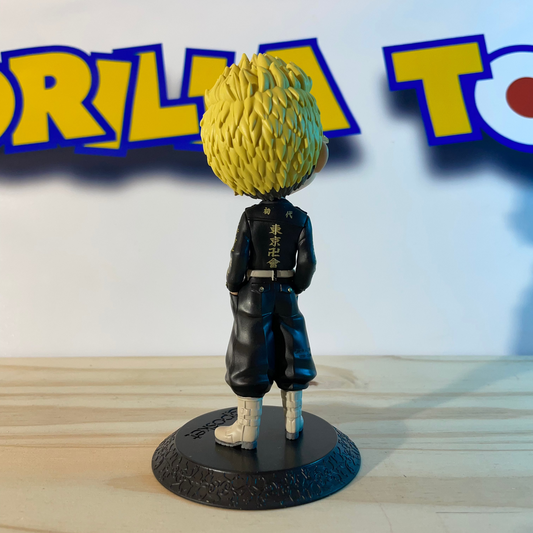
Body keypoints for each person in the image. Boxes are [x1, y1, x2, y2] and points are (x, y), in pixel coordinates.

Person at [201, 52, 328, 450]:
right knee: (293, 351)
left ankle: (247, 429)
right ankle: (294, 422)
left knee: (249, 354)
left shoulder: (251, 216)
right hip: (286, 291)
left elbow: (239, 257)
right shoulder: (299, 217)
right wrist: (295, 286)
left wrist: (233, 284)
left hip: (253, 293)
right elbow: (307, 262)